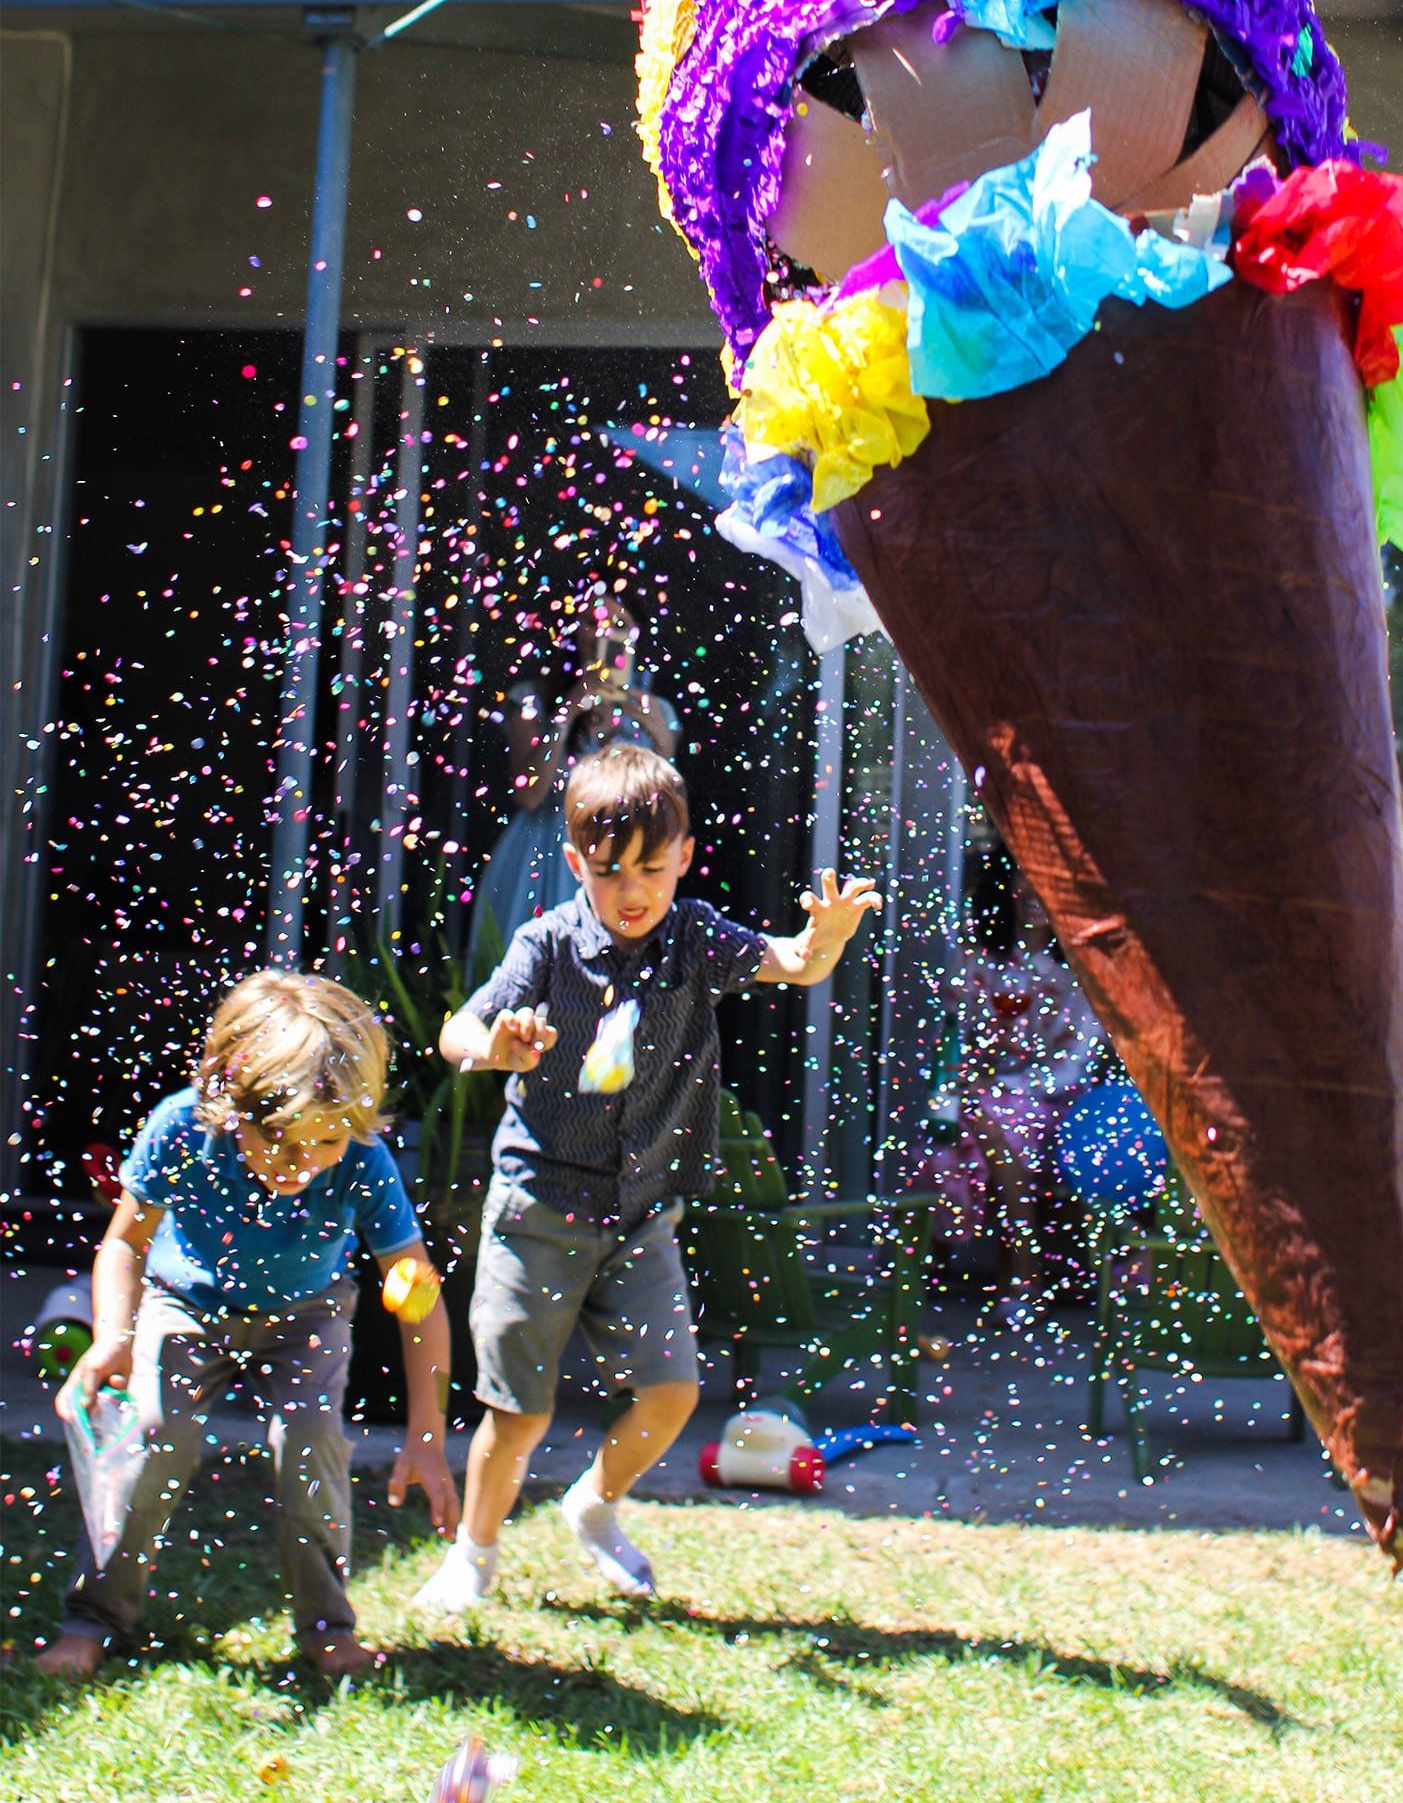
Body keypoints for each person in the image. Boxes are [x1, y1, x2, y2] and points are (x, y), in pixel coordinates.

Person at [414, 741, 879, 1612]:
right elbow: (454, 1032)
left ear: (687, 857)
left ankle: (594, 1504)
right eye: (609, 872)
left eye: (653, 870)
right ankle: (473, 1558)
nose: (633, 892)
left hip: (637, 1214)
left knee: (671, 1394)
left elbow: (795, 963)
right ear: (573, 864)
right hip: (540, 1207)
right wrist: (494, 1046)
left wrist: (826, 940)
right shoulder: (546, 946)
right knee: (519, 1412)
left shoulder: (696, 936)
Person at [34, 972, 459, 1681]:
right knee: (153, 1434)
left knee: (311, 1439)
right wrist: (115, 1335)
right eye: (285, 1146)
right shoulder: (181, 1129)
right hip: (186, 1304)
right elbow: (124, 1244)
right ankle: (93, 1617)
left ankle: (328, 1627)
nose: (303, 1167)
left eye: (323, 1145)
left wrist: (426, 1432)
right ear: (231, 1106)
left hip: (308, 1315)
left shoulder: (360, 1158)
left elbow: (418, 1295)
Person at [923, 848, 1105, 1329]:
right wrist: (972, 1077)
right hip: (982, 1100)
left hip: (1057, 1108)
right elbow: (957, 1037)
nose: (1032, 893)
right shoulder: (978, 958)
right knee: (945, 1144)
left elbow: (1076, 1067)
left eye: (1045, 882)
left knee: (999, 1124)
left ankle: (1001, 1273)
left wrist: (1002, 1085)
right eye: (1022, 880)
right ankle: (1017, 1278)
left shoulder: (1083, 973)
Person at [471, 593, 679, 966]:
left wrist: (658, 733)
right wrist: (567, 711)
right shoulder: (534, 699)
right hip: (543, 852)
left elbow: (668, 801)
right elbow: (529, 794)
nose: (604, 634)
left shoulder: (656, 709)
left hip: (623, 855)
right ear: (572, 630)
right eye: (592, 622)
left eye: (618, 625)